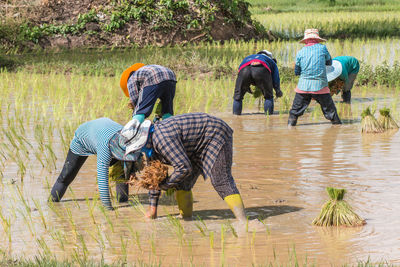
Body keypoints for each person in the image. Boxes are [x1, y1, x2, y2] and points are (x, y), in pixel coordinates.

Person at [132, 113, 247, 222]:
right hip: (194, 144)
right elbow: (154, 179)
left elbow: (183, 168)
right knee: (182, 183)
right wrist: (153, 210)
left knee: (220, 180)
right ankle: (186, 220)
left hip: (215, 133)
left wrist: (166, 185)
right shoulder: (150, 145)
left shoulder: (162, 140)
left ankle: (243, 222)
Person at [49, 117, 151, 210]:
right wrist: (108, 209)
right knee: (66, 176)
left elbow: (134, 159)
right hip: (82, 139)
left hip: (107, 133)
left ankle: (123, 202)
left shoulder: (129, 136)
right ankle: (52, 205)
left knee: (122, 174)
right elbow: (102, 181)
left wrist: (132, 171)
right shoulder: (105, 148)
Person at [288, 29, 341, 126]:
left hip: (303, 86)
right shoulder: (322, 48)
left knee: (294, 111)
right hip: (320, 85)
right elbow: (329, 62)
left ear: (306, 40)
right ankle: (337, 127)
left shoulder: (300, 52)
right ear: (317, 39)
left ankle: (290, 126)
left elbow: (297, 71)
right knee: (331, 111)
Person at [233, 50, 283, 115]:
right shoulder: (271, 61)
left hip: (244, 69)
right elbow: (275, 77)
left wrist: (246, 86)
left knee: (238, 97)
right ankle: (269, 118)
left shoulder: (248, 58)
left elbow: (241, 74)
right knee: (268, 97)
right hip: (261, 69)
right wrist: (277, 90)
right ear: (270, 57)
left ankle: (236, 117)